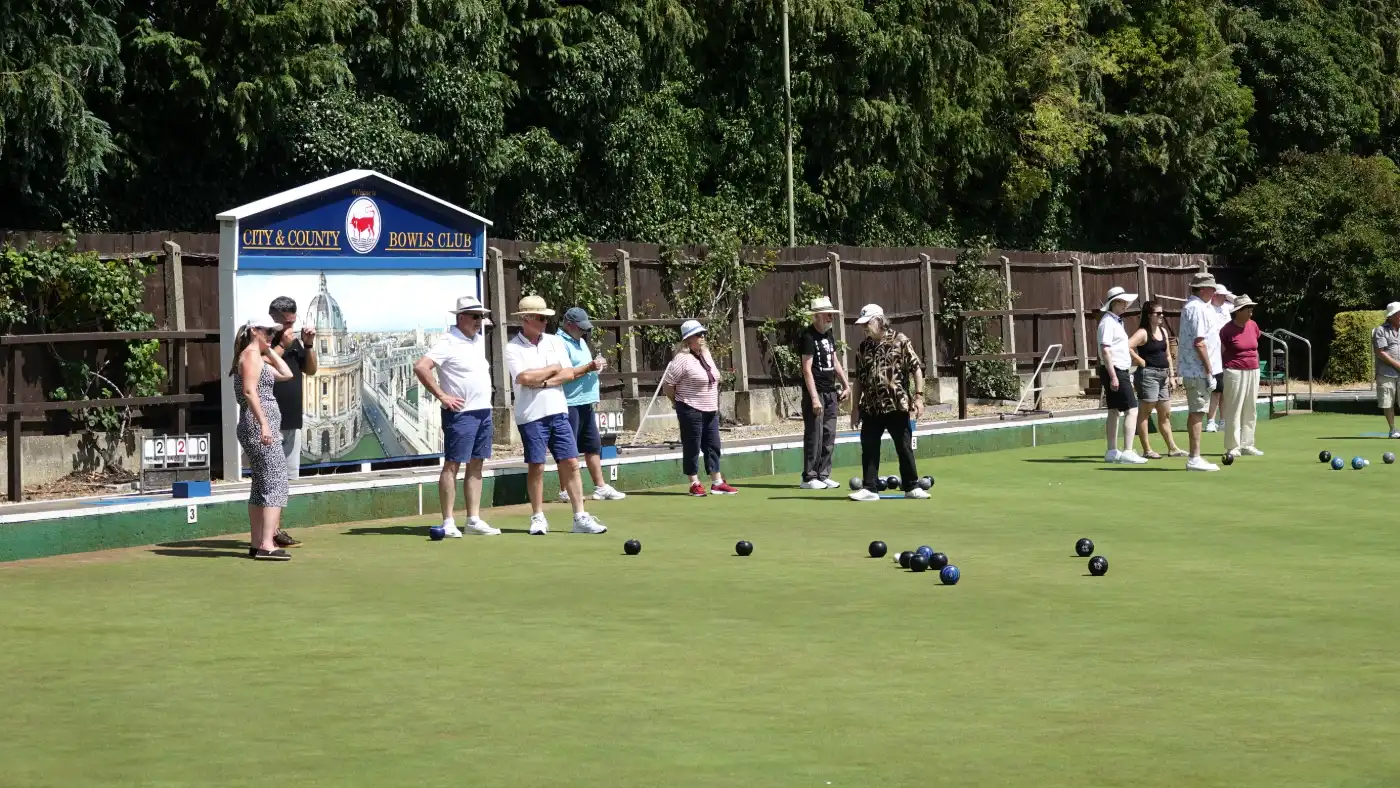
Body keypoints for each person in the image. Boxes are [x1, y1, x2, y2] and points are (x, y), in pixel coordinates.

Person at [503, 295, 608, 534]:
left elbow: (568, 374)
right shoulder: (512, 347)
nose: (545, 322)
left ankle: (580, 517)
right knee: (537, 466)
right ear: (526, 319)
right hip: (531, 415)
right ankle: (538, 517)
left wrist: (542, 381)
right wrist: (551, 369)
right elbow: (523, 378)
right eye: (541, 318)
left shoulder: (554, 341)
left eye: (546, 318)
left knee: (571, 462)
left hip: (559, 411)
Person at [413, 295, 500, 537]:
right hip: (460, 414)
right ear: (461, 318)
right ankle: (448, 522)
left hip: (483, 411)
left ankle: (473, 519)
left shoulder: (477, 340)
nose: (479, 321)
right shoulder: (448, 341)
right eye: (475, 316)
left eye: (481, 316)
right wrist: (443, 396)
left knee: (477, 463)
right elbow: (421, 367)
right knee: (452, 464)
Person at [847, 304, 928, 502]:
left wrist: (919, 397)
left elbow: (916, 369)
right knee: (869, 447)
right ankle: (870, 488)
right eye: (862, 324)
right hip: (871, 406)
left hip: (897, 404)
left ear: (879, 321)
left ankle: (911, 486)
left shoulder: (900, 340)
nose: (864, 327)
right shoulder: (863, 347)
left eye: (867, 323)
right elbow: (858, 380)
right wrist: (854, 408)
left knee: (904, 446)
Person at [231, 316, 295, 560]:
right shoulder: (250, 356)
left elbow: (287, 373)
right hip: (258, 427)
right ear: (254, 331)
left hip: (257, 427)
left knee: (261, 484)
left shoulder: (257, 356)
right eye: (267, 331)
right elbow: (249, 391)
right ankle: (267, 544)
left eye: (272, 332)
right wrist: (265, 425)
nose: (271, 335)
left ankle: (258, 542)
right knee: (275, 482)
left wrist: (269, 351)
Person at [555, 307, 627, 503]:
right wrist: (589, 367)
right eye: (580, 327)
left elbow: (584, 368)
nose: (583, 331)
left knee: (593, 445)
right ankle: (564, 490)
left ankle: (600, 487)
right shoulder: (559, 342)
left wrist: (596, 366)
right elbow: (564, 373)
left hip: (585, 401)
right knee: (567, 449)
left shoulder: (579, 340)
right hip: (569, 402)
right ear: (568, 324)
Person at [662, 320, 738, 496]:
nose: (703, 337)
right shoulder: (681, 359)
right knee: (692, 446)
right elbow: (668, 385)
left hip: (710, 409)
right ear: (688, 339)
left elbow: (714, 377)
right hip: (690, 408)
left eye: (703, 333)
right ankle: (694, 483)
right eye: (698, 334)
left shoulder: (706, 354)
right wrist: (676, 402)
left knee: (713, 445)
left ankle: (717, 482)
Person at [266, 296, 317, 549]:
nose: (290, 328)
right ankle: (268, 533)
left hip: (291, 419)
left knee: (283, 480)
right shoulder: (264, 341)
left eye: (293, 322)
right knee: (270, 479)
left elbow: (311, 370)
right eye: (286, 323)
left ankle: (275, 530)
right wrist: (282, 347)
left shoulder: (295, 342)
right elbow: (260, 368)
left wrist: (308, 345)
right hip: (269, 421)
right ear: (273, 318)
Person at [798, 295, 850, 489]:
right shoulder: (808, 336)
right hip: (816, 392)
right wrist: (814, 398)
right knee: (815, 434)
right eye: (828, 314)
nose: (831, 317)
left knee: (829, 434)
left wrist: (846, 385)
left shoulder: (829, 334)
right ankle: (808, 477)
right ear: (817, 316)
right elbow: (806, 369)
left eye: (831, 314)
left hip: (830, 391)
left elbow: (834, 361)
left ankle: (823, 474)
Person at [1129, 300, 1185, 459]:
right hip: (1148, 376)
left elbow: (1167, 355)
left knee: (1165, 413)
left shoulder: (1163, 331)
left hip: (1163, 376)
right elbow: (1127, 346)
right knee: (1145, 413)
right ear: (1149, 315)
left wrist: (1172, 375)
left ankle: (1173, 448)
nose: (1161, 316)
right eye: (1158, 313)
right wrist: (1139, 360)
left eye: (1162, 313)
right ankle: (1147, 450)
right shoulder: (1143, 332)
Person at [1097, 287, 1147, 464]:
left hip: (1117, 370)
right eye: (1123, 302)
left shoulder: (1116, 322)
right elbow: (1105, 350)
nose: (1126, 305)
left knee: (1113, 410)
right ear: (1115, 303)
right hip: (1115, 370)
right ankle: (1127, 451)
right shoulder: (1107, 323)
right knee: (1132, 409)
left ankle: (1112, 451)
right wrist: (1114, 376)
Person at [1177, 272, 1221, 471]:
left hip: (1198, 370)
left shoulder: (1198, 307)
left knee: (1198, 412)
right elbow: (1199, 342)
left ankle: (1195, 456)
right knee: (1197, 412)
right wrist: (1209, 371)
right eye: (1212, 288)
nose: (1214, 292)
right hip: (1198, 371)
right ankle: (1194, 458)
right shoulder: (1196, 308)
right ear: (1202, 289)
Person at [1220, 294, 1264, 457]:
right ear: (1238, 311)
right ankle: (1233, 447)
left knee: (1250, 408)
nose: (1251, 312)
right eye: (1247, 309)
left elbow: (1255, 347)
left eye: (1251, 308)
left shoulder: (1253, 325)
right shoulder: (1227, 330)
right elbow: (1222, 351)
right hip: (1234, 371)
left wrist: (1256, 365)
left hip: (1253, 369)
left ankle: (1247, 445)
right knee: (1234, 408)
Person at [1205, 287, 1234, 432]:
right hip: (1213, 355)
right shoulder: (1207, 308)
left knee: (1225, 391)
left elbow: (1239, 301)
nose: (1224, 298)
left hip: (1226, 355)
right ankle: (1211, 421)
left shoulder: (1226, 307)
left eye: (1225, 296)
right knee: (1216, 390)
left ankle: (1223, 421)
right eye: (1221, 296)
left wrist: (1227, 295)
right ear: (1214, 296)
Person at [1374, 302, 1400, 438]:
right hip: (1386, 373)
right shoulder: (1381, 330)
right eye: (1398, 314)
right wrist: (1397, 365)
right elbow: (1380, 352)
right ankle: (1393, 430)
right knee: (1387, 402)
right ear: (1390, 316)